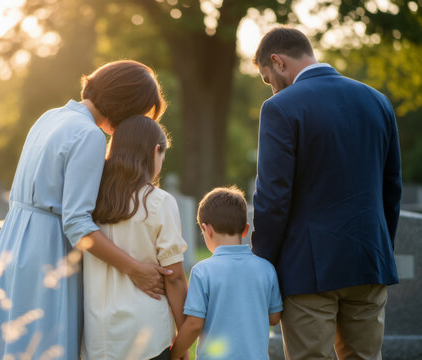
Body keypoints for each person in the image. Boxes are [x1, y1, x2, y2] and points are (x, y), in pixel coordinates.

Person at [0, 60, 173, 360]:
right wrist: (135, 269)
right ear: (125, 105)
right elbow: (78, 223)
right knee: (44, 347)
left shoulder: (50, 117)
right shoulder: (89, 135)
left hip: (14, 242)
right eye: (137, 114)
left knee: (15, 346)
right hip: (48, 250)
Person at [251, 27, 402, 359]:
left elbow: (273, 198)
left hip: (307, 271)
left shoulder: (280, 107)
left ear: (277, 61)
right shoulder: (378, 101)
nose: (271, 87)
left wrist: (263, 266)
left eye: (267, 78)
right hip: (369, 262)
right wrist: (379, 251)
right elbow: (391, 189)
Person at [81, 115, 188, 360]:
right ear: (155, 151)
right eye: (162, 156)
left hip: (97, 339)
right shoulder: (159, 202)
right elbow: (174, 278)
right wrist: (183, 337)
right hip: (148, 336)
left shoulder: (90, 201)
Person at [171, 186, 282, 360]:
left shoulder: (202, 272)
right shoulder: (266, 268)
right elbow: (274, 317)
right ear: (245, 229)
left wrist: (174, 354)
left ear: (207, 230)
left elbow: (194, 324)